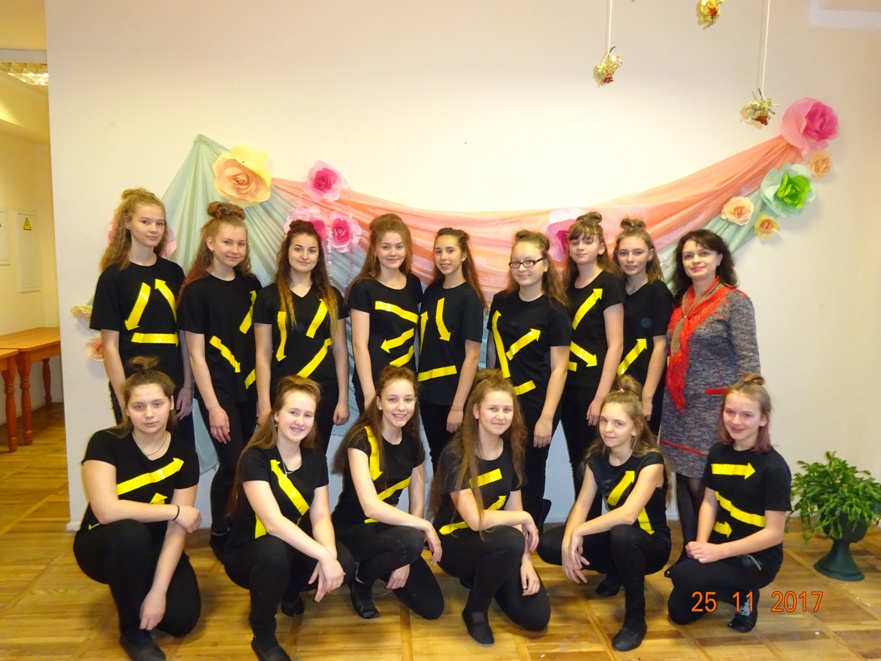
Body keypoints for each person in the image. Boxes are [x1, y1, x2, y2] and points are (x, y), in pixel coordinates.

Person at [73, 357, 201, 661]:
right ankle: (132, 632)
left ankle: (136, 586)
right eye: (139, 406)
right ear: (127, 408)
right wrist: (174, 511)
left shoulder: (184, 454)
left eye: (157, 404)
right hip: (103, 543)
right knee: (130, 535)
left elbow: (177, 530)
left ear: (171, 403)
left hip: (155, 544)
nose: (149, 414)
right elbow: (106, 511)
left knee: (182, 620)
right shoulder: (105, 443)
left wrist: (158, 591)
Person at [222, 377, 353, 661]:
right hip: (250, 552)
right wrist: (323, 556)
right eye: (293, 412)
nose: (300, 421)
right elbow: (273, 524)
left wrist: (330, 555)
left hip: (289, 546)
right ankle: (263, 633)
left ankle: (289, 590)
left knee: (343, 562)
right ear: (276, 415)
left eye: (307, 415)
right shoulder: (255, 457)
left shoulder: (314, 456)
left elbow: (321, 516)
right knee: (275, 551)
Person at [537, 375, 670, 652]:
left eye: (618, 423)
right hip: (620, 538)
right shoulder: (597, 458)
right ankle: (617, 571)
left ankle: (635, 618)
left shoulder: (651, 461)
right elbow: (581, 506)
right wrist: (568, 542)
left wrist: (579, 532)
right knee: (550, 545)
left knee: (622, 534)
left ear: (635, 428)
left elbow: (628, 515)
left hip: (651, 546)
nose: (608, 429)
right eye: (604, 421)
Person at [660, 229, 759, 572]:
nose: (695, 260)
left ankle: (710, 554)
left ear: (719, 258)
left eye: (703, 253)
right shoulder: (679, 303)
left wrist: (746, 413)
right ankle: (690, 552)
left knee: (703, 484)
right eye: (688, 255)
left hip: (714, 411)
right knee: (682, 478)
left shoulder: (734, 301)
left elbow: (749, 362)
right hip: (678, 408)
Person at [431, 370, 550, 647]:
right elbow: (475, 520)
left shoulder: (512, 449)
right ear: (476, 411)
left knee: (537, 616)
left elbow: (513, 508)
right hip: (455, 543)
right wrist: (525, 518)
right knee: (510, 540)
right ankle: (475, 611)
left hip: (497, 542)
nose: (500, 416)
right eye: (493, 408)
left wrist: (526, 562)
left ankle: (488, 574)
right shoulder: (454, 454)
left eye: (507, 409)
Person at [667, 375, 790, 634]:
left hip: (755, 558)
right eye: (730, 412)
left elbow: (774, 534)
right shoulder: (717, 452)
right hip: (719, 545)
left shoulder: (775, 468)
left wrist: (717, 553)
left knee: (682, 575)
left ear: (763, 419)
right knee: (679, 613)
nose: (736, 421)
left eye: (747, 415)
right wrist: (702, 545)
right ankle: (728, 588)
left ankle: (746, 594)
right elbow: (709, 502)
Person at [178, 202, 261, 556]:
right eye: (228, 242)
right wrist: (212, 406)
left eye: (240, 244)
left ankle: (243, 528)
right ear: (210, 243)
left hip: (251, 388)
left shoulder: (252, 285)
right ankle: (220, 531)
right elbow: (195, 354)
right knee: (231, 463)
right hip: (218, 391)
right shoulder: (196, 291)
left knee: (250, 462)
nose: (234, 250)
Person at [331, 366, 444, 621]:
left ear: (415, 402)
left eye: (408, 399)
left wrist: (406, 559)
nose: (401, 407)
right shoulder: (361, 439)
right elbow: (370, 507)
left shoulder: (413, 443)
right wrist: (423, 527)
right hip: (351, 530)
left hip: (388, 535)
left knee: (432, 607)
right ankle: (362, 581)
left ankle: (379, 564)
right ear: (379, 402)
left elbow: (417, 504)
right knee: (411, 539)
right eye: (393, 399)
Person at [90, 188, 194, 446]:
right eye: (146, 222)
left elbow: (183, 335)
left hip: (172, 380)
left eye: (159, 223)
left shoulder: (174, 272)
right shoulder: (113, 277)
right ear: (128, 223)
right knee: (137, 454)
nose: (153, 229)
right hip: (133, 382)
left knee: (179, 452)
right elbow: (110, 346)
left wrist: (187, 385)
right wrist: (124, 397)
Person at [487, 230, 570, 528]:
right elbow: (493, 349)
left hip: (538, 402)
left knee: (531, 469)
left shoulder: (555, 310)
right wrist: (486, 392)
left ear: (545, 265)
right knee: (502, 464)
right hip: (501, 401)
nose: (522, 268)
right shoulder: (501, 301)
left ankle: (530, 528)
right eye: (516, 262)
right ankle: (505, 526)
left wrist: (546, 417)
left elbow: (560, 368)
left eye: (529, 262)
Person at [254, 220, 348, 451]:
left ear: (319, 256)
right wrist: (264, 403)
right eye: (298, 249)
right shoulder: (268, 296)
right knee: (282, 456)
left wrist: (343, 399)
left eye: (312, 250)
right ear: (286, 253)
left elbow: (340, 350)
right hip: (282, 390)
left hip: (324, 391)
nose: (305, 256)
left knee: (316, 457)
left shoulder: (332, 296)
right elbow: (263, 353)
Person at [560, 212, 624, 491]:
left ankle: (595, 517)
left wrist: (600, 397)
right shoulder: (566, 286)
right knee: (577, 460)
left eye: (588, 241)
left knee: (594, 460)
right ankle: (583, 515)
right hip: (568, 384)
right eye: (575, 242)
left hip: (593, 384)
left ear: (601, 248)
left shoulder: (609, 283)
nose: (580, 247)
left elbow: (616, 344)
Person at [418, 227, 486, 468]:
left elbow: (472, 356)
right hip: (428, 392)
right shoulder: (431, 292)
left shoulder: (470, 297)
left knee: (456, 462)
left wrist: (458, 406)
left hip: (453, 395)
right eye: (438, 251)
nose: (443, 257)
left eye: (450, 251)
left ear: (463, 255)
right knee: (438, 458)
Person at [347, 213, 423, 412]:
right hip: (374, 380)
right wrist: (369, 393)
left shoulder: (413, 284)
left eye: (399, 246)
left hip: (406, 380)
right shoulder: (363, 288)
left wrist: (416, 379)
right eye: (386, 247)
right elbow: (359, 344)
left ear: (407, 249)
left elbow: (414, 335)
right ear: (374, 249)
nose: (393, 253)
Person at [613, 218, 673, 436]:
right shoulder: (615, 290)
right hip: (616, 385)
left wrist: (647, 395)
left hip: (644, 386)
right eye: (624, 253)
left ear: (650, 254)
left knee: (642, 448)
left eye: (637, 252)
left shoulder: (658, 292)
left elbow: (660, 347)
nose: (630, 259)